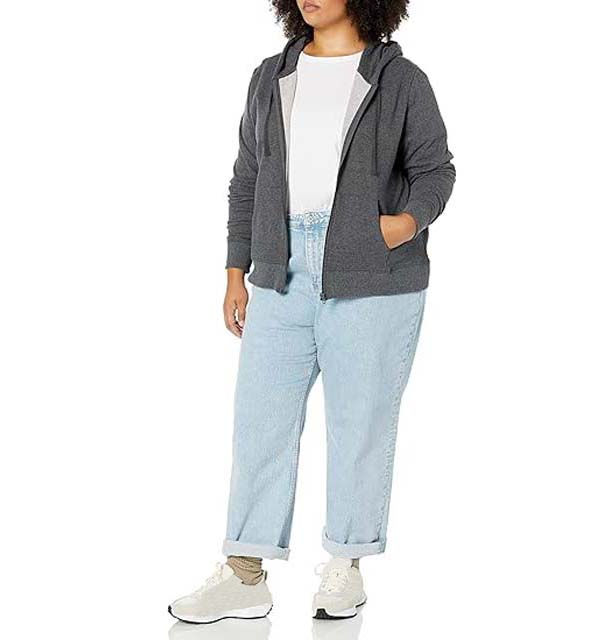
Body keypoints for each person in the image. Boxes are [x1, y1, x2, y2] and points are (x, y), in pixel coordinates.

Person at [169, 0, 455, 624]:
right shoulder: (271, 75)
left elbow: (436, 170)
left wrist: (402, 225)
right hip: (280, 267)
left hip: (373, 273)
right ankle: (245, 573)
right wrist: (235, 268)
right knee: (260, 423)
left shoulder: (401, 80)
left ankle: (345, 564)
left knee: (359, 424)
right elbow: (247, 177)